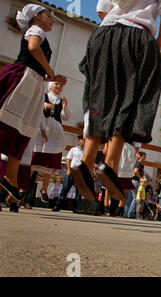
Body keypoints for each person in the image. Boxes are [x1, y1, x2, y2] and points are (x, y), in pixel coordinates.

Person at [73, 0, 161, 203]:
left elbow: (102, 10)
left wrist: (118, 21)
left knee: (100, 97)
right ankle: (109, 166)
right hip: (137, 36)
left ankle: (86, 162)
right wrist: (157, 44)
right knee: (131, 98)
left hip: (103, 35)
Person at [0, 4, 66, 202]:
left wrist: (51, 78)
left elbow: (36, 64)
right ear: (37, 16)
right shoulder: (35, 30)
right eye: (49, 16)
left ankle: (10, 177)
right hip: (23, 79)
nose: (52, 20)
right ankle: (10, 177)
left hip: (33, 82)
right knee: (10, 123)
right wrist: (52, 73)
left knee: (22, 130)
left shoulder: (40, 32)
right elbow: (32, 48)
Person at [32, 81, 72, 203]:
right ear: (50, 86)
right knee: (32, 162)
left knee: (48, 165)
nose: (59, 87)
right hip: (40, 131)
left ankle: (44, 190)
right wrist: (45, 105)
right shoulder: (44, 97)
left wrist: (65, 106)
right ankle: (22, 188)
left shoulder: (60, 101)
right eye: (56, 84)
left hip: (54, 134)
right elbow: (35, 107)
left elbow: (65, 117)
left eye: (61, 85)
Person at [52, 136, 84, 212]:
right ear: (79, 140)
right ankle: (57, 206)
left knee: (79, 191)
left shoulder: (86, 151)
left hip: (81, 172)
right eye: (83, 140)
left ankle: (75, 208)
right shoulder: (73, 149)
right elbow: (69, 159)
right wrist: (68, 169)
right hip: (72, 170)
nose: (84, 141)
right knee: (65, 188)